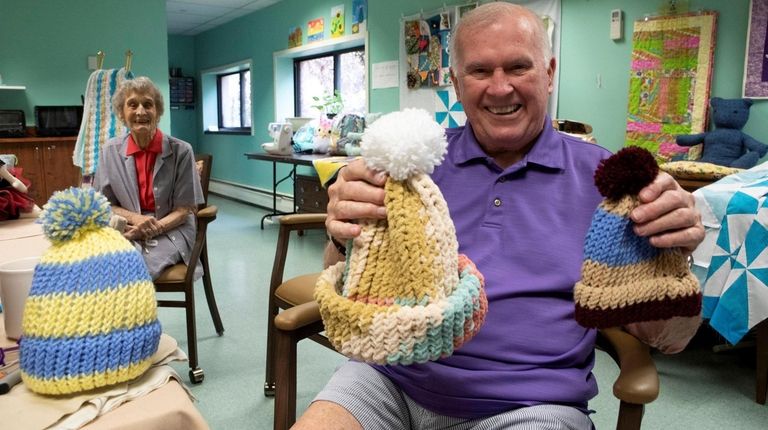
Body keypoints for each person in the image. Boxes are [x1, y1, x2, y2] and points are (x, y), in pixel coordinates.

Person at [296, 3, 704, 429]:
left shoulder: (611, 185)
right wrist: (342, 235)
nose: (500, 87)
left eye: (517, 67)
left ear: (548, 73)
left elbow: (671, 338)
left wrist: (674, 257)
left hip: (531, 406)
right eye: (479, 71)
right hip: (387, 379)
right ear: (455, 83)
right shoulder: (412, 168)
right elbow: (347, 283)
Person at [94, 76, 203, 280]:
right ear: (121, 113)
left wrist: (149, 229)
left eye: (148, 104)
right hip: (126, 227)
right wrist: (136, 220)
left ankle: (139, 312)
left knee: (131, 269)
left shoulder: (181, 150)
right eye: (132, 105)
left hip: (171, 230)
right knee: (93, 265)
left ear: (158, 111)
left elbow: (184, 210)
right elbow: (103, 204)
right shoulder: (109, 150)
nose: (141, 112)